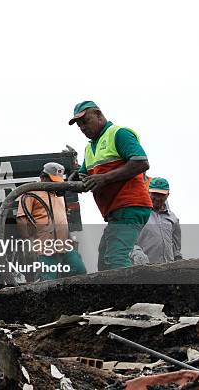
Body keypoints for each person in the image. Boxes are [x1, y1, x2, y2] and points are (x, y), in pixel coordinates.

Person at [69, 101, 152, 271]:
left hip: (130, 206)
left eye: (86, 121)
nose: (83, 127)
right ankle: (111, 295)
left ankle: (130, 296)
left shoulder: (119, 134)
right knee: (105, 261)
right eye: (79, 125)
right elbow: (85, 176)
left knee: (116, 257)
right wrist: (72, 180)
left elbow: (141, 162)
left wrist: (104, 178)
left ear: (99, 115)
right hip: (116, 211)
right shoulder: (90, 147)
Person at [16, 162, 87, 280]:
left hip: (64, 246)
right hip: (44, 248)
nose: (55, 185)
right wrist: (28, 242)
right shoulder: (31, 193)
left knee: (79, 271)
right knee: (48, 280)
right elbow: (22, 219)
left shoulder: (59, 194)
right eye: (52, 181)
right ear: (42, 177)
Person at [134, 177, 182, 263]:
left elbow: (176, 248)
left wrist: (178, 260)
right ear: (148, 192)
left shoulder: (173, 218)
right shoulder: (138, 214)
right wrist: (137, 253)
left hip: (168, 270)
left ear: (168, 194)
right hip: (144, 269)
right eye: (154, 194)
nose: (157, 198)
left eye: (161, 195)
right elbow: (128, 242)